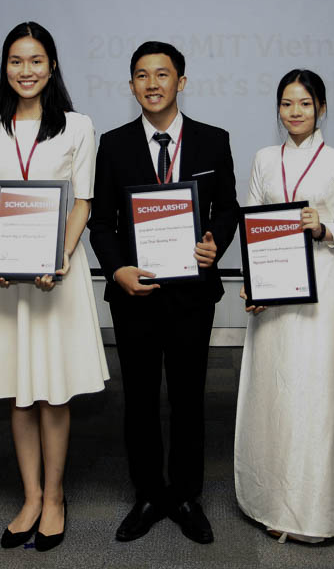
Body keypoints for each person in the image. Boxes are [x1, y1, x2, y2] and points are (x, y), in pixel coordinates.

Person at [0, 22, 108, 553]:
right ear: (5, 67)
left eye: (36, 60)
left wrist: (61, 257)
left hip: (55, 273)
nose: (26, 70)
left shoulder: (76, 126)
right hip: (2, 274)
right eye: (16, 61)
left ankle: (55, 497)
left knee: (52, 388)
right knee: (19, 391)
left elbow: (84, 203)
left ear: (52, 66)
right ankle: (29, 496)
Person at [88, 41, 239, 545]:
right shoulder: (112, 144)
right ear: (131, 85)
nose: (152, 84)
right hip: (135, 295)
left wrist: (215, 242)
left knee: (189, 397)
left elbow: (226, 208)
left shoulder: (213, 141)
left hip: (193, 294)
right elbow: (102, 224)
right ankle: (149, 492)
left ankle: (187, 494)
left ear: (182, 81)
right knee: (140, 399)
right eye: (142, 76)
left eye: (163, 74)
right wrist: (116, 270)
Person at [234, 69, 334, 543]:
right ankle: (268, 500)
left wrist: (325, 228)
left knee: (313, 397)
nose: (295, 112)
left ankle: (312, 514)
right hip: (273, 291)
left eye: (305, 104)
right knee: (271, 393)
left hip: (319, 291)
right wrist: (252, 283)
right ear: (278, 108)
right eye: (287, 103)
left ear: (321, 109)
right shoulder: (263, 159)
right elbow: (250, 220)